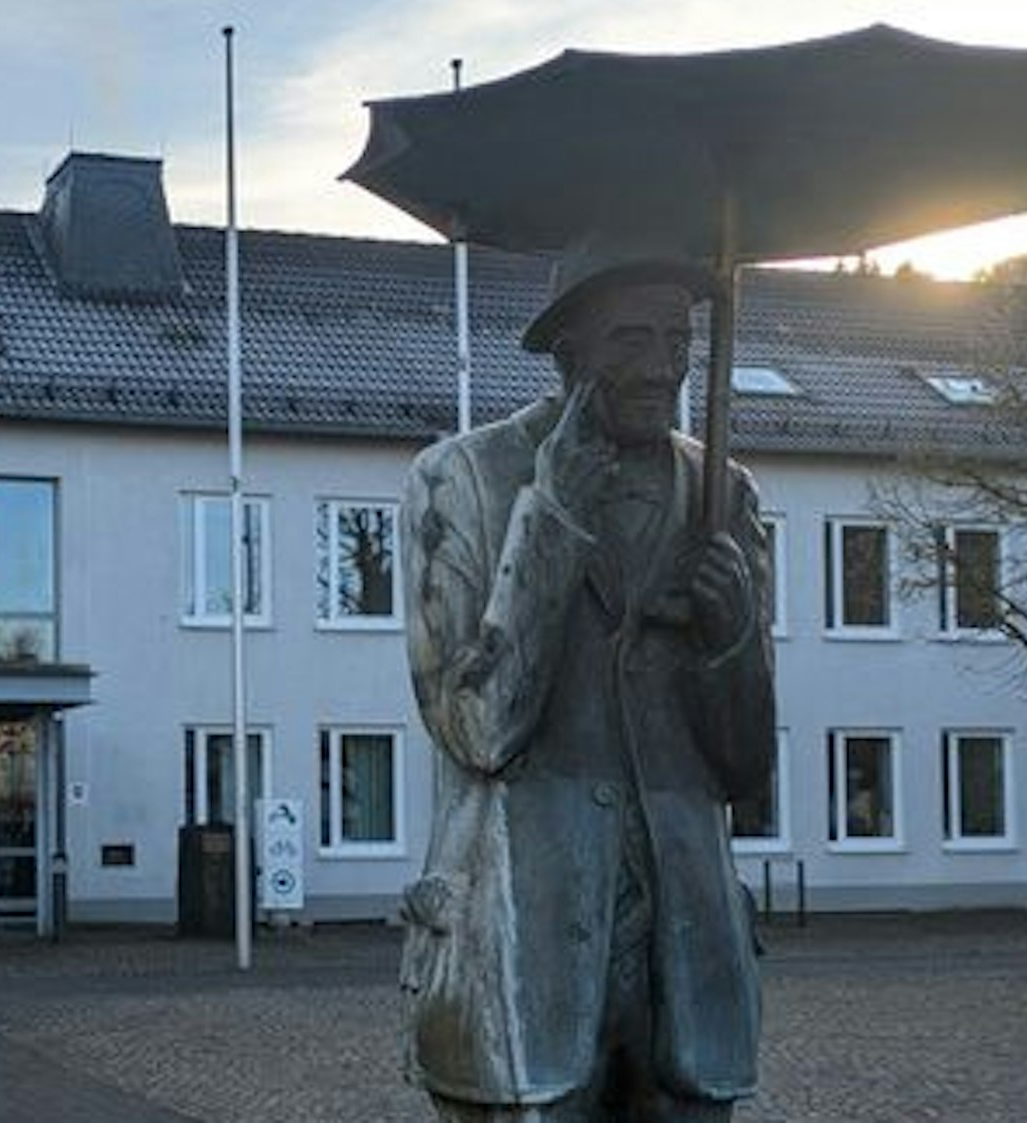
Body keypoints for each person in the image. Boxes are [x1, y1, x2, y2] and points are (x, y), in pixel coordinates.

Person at [399, 238, 775, 1123]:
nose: (664, 367)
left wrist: (731, 639)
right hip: (516, 965)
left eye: (679, 341)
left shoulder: (723, 493)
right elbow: (480, 728)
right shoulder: (462, 478)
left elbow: (747, 772)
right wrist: (555, 518)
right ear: (568, 354)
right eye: (632, 339)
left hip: (687, 978)